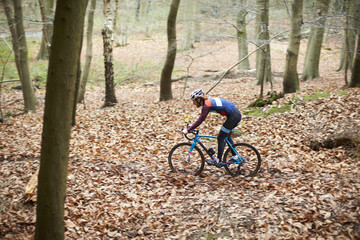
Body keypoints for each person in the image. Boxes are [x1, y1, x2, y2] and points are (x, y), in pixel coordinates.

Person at [182, 89, 242, 167]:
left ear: (199, 99)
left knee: (220, 137)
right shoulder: (207, 102)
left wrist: (188, 129)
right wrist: (191, 127)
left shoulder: (206, 106)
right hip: (235, 115)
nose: (193, 103)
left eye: (194, 101)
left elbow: (200, 119)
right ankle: (235, 156)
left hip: (233, 117)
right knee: (226, 136)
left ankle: (218, 160)